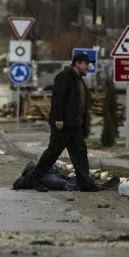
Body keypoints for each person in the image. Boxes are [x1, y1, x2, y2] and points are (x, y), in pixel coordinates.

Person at [27, 52, 98, 192]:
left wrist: (83, 124)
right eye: (86, 64)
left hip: (75, 125)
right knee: (53, 152)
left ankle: (85, 184)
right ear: (77, 63)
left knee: (80, 153)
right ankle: (34, 178)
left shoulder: (78, 79)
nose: (88, 67)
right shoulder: (64, 77)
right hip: (64, 124)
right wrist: (59, 118)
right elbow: (57, 99)